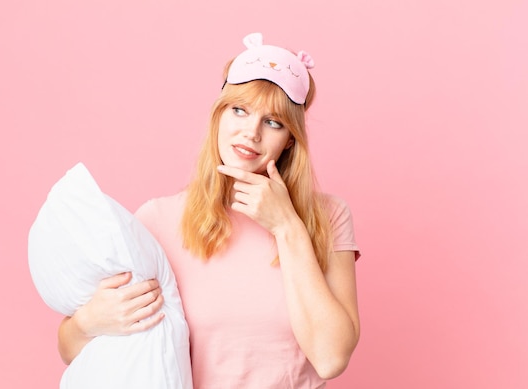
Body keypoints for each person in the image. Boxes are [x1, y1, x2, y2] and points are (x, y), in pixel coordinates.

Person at [58, 32, 361, 388]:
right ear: (218, 116)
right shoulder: (158, 220)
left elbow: (331, 358)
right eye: (239, 110)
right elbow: (71, 347)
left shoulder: (327, 217)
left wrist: (286, 227)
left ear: (290, 139)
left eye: (273, 122)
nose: (251, 132)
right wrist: (87, 322)